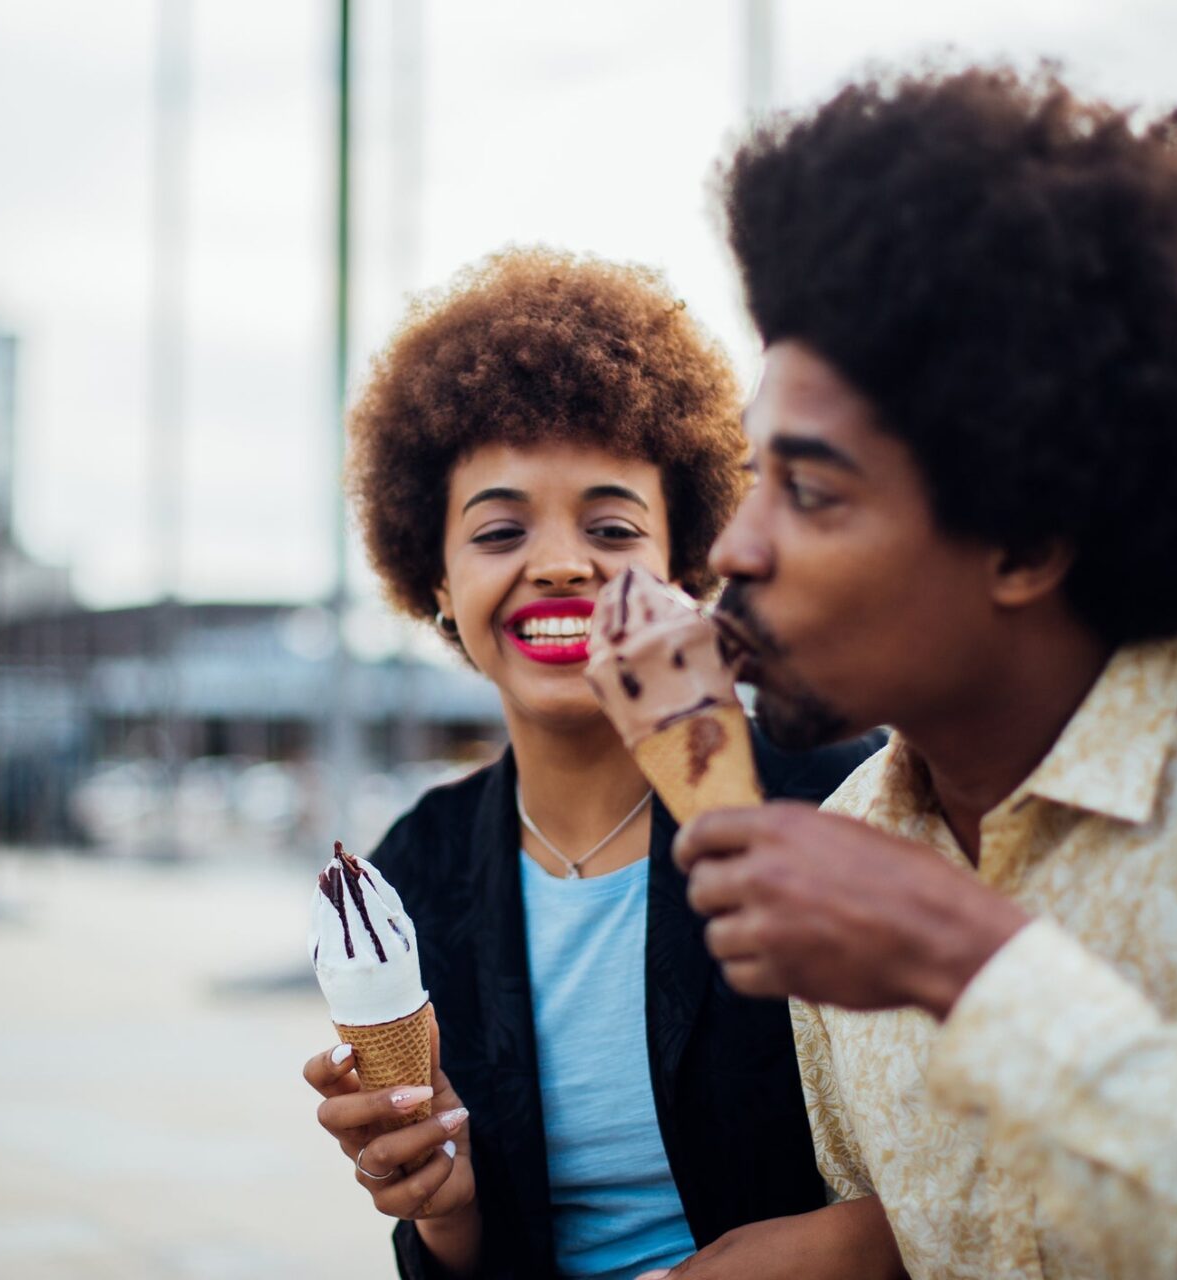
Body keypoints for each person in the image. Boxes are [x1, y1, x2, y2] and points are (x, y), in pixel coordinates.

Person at [650, 64, 1177, 1279]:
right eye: (751, 478)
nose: (734, 547)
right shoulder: (852, 837)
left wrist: (973, 963)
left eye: (811, 490)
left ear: (1028, 538)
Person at [299, 249, 877, 1280]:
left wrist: (829, 1249)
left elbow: (973, 1166)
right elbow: (465, 1257)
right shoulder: (417, 867)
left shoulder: (842, 797)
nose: (562, 561)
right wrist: (444, 1205)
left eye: (611, 526)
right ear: (437, 579)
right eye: (501, 528)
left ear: (685, 565)